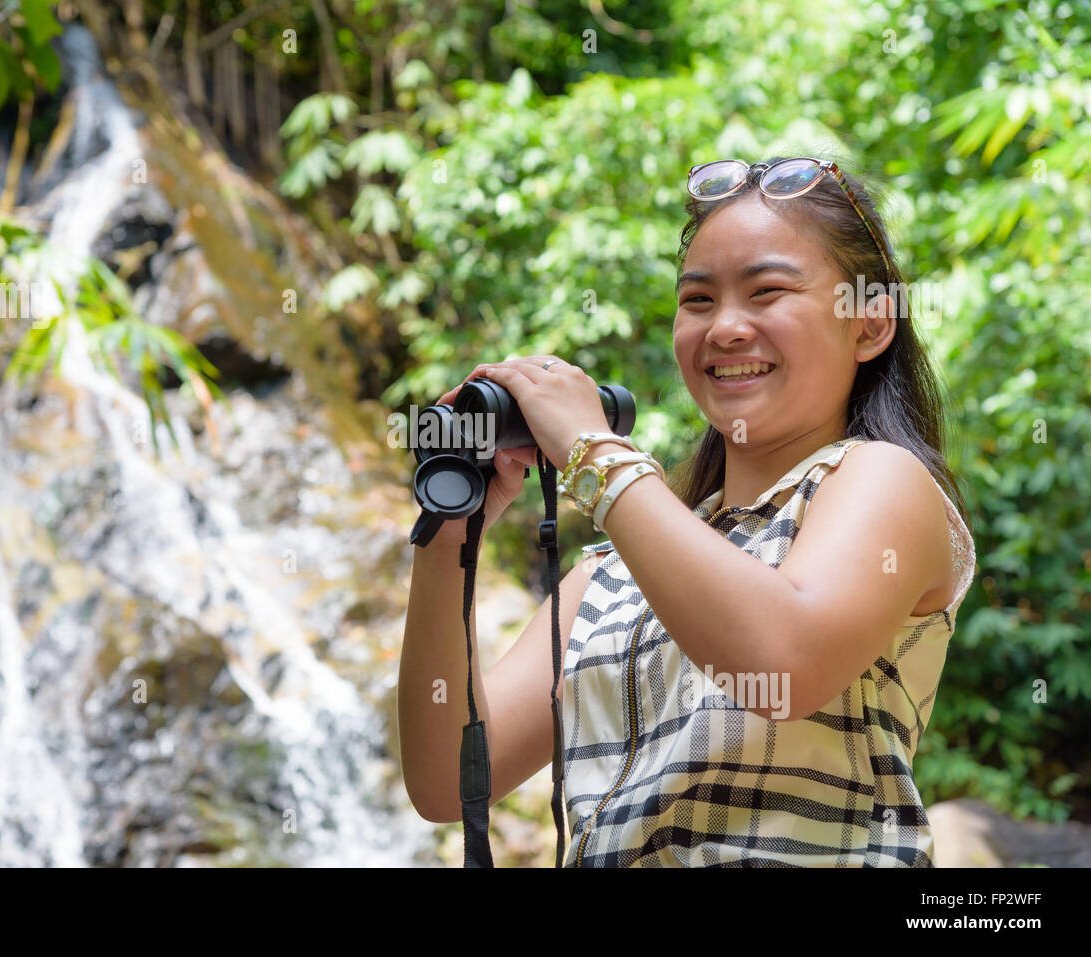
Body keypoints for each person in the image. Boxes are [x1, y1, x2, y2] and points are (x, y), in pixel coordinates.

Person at [397, 154, 976, 867]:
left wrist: (591, 452)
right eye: (698, 301)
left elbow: (783, 660)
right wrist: (449, 528)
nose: (726, 327)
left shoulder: (881, 479)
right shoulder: (610, 575)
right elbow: (448, 784)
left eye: (766, 292)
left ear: (869, 325)